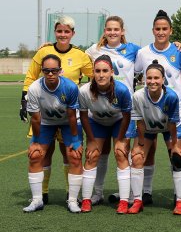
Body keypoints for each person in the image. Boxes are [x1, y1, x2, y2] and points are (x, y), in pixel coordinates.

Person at [20, 16, 93, 204]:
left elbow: (95, 76)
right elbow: (31, 76)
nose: (63, 35)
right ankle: (42, 194)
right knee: (44, 152)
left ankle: (71, 195)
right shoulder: (44, 51)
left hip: (69, 111)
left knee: (69, 152)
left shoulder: (80, 54)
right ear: (55, 33)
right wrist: (24, 100)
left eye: (66, 32)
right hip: (45, 113)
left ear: (72, 34)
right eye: (59, 31)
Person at [133, 10, 181, 207]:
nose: (161, 32)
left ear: (171, 31)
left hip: (172, 110)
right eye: (158, 29)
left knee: (176, 154)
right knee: (146, 153)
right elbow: (135, 71)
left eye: (165, 29)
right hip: (148, 110)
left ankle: (179, 196)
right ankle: (145, 193)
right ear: (153, 30)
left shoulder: (180, 51)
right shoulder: (143, 53)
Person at [85, 16, 141, 205]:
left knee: (122, 152)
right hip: (100, 109)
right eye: (109, 29)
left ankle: (130, 195)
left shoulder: (133, 50)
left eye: (116, 29)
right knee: (98, 153)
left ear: (122, 31)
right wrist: (50, 46)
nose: (112, 33)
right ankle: (98, 193)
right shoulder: (95, 50)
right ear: (104, 31)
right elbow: (75, 58)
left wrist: (177, 45)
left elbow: (152, 55)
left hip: (124, 111)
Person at [24, 54, 83, 213]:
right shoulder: (34, 88)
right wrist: (35, 141)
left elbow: (71, 116)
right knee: (35, 155)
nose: (50, 74)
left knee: (75, 156)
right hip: (46, 123)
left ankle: (72, 200)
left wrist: (76, 141)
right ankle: (37, 200)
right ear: (42, 71)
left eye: (54, 70)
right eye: (46, 70)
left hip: (68, 122)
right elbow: (35, 119)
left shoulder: (70, 87)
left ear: (60, 71)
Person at [129, 60, 181, 214]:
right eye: (149, 78)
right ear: (144, 79)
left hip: (169, 128)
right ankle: (138, 200)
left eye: (156, 78)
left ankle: (180, 200)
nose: (152, 81)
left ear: (163, 80)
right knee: (137, 158)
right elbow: (139, 122)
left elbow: (173, 124)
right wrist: (140, 144)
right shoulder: (138, 96)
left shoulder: (171, 97)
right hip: (148, 127)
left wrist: (175, 145)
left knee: (177, 158)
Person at [78, 55, 132, 213]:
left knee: (121, 154)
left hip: (119, 122)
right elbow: (83, 116)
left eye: (105, 71)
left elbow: (127, 116)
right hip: (97, 122)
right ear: (93, 72)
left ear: (112, 72)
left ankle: (123, 200)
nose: (101, 75)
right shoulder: (84, 91)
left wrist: (121, 139)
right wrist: (91, 140)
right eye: (97, 71)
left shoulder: (122, 90)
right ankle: (89, 198)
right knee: (92, 155)